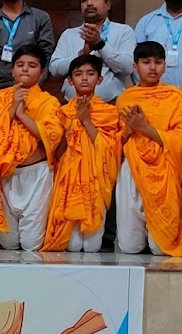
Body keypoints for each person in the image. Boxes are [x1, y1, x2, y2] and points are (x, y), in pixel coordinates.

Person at [0, 45, 62, 251]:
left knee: (31, 244)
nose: (25, 70)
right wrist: (12, 108)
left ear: (42, 72)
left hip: (37, 174)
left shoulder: (48, 101)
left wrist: (22, 115)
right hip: (5, 173)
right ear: (12, 70)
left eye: (32, 65)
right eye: (20, 65)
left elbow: (51, 136)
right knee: (9, 243)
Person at [114, 42, 182, 256]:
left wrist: (145, 128)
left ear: (165, 66)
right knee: (130, 247)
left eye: (158, 62)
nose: (152, 67)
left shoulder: (175, 96)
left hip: (164, 168)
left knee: (161, 248)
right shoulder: (125, 99)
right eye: (146, 62)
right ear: (134, 66)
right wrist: (130, 131)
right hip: (131, 169)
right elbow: (114, 143)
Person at [43, 55, 124, 252]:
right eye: (78, 74)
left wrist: (86, 121)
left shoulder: (109, 113)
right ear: (70, 81)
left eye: (90, 74)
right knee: (71, 245)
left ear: (100, 79)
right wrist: (69, 131)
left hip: (96, 179)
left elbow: (111, 149)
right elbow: (56, 152)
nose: (85, 79)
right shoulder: (61, 112)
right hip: (68, 180)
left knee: (91, 247)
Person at [50, 0, 134, 102]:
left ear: (108, 4)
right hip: (72, 107)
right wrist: (81, 55)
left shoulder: (123, 32)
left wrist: (100, 45)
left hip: (110, 107)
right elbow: (54, 69)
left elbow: (128, 67)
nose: (89, 3)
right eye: (84, 0)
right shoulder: (69, 35)